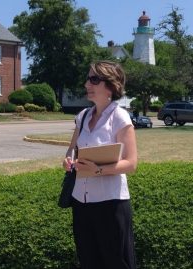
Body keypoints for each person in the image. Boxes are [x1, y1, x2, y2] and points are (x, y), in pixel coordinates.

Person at [63, 60, 137, 269]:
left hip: (110, 204)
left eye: (94, 79)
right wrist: (68, 161)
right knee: (88, 261)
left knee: (116, 263)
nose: (87, 83)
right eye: (88, 78)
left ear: (110, 86)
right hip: (81, 202)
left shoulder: (120, 117)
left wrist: (98, 170)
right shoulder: (83, 117)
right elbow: (70, 151)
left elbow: (131, 163)